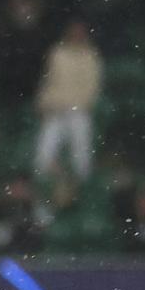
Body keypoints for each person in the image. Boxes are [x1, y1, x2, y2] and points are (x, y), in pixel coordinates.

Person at [33, 21, 104, 180]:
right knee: (44, 151)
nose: (76, 35)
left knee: (81, 152)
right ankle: (43, 185)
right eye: (73, 31)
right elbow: (49, 79)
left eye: (80, 32)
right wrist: (43, 102)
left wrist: (76, 104)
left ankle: (82, 186)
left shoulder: (91, 55)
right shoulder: (57, 53)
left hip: (78, 109)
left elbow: (92, 86)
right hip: (55, 109)